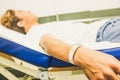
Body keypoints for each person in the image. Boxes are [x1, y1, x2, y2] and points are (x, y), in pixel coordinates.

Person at [1, 9, 120, 80]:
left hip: (108, 27)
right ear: (21, 23)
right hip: (106, 31)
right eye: (22, 11)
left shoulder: (41, 27)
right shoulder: (34, 31)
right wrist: (81, 55)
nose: (28, 10)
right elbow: (47, 42)